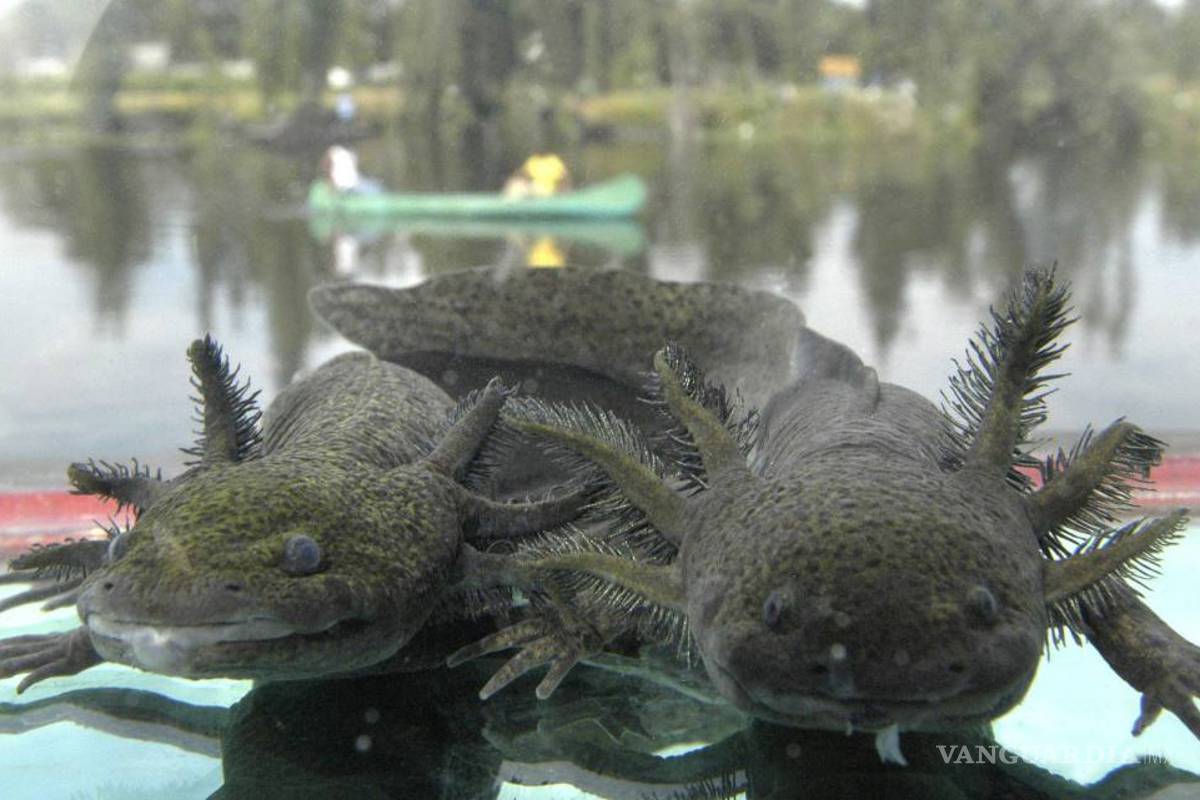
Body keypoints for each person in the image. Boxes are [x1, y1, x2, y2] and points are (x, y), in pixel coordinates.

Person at [503, 153, 571, 199]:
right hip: (534, 189)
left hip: (548, 191)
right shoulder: (533, 160)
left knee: (533, 188)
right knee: (516, 185)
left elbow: (564, 179)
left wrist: (561, 194)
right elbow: (523, 174)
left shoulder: (555, 161)